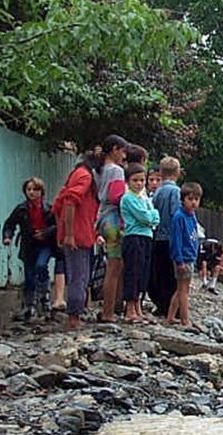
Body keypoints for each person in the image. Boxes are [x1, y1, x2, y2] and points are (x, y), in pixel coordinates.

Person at [52, 153, 100, 330]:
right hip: (79, 235)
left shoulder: (77, 174)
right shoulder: (85, 176)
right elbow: (69, 202)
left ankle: (77, 313)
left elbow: (59, 204)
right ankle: (74, 317)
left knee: (80, 276)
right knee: (79, 277)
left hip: (82, 233)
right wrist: (69, 234)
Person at [2, 177, 57, 319]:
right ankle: (29, 305)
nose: (31, 192)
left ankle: (45, 296)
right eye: (29, 189)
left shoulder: (48, 209)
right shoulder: (21, 209)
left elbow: (57, 225)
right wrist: (8, 236)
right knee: (29, 275)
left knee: (41, 265)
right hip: (29, 244)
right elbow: (10, 223)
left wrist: (45, 233)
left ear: (41, 191)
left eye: (35, 189)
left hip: (44, 244)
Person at [94, 134, 129, 323]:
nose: (123, 156)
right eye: (122, 151)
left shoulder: (97, 170)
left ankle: (110, 308)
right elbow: (117, 196)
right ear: (115, 149)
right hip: (113, 219)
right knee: (114, 266)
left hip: (101, 219)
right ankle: (108, 311)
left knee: (114, 265)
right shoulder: (116, 171)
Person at [120, 163, 160, 322]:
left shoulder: (144, 198)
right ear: (128, 181)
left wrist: (151, 217)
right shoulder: (128, 198)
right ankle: (129, 308)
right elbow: (145, 217)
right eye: (135, 180)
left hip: (147, 236)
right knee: (133, 271)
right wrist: (151, 217)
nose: (139, 183)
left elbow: (155, 216)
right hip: (134, 236)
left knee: (143, 273)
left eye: (142, 180)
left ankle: (138, 306)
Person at [149, 156, 182, 316]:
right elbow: (176, 215)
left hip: (157, 237)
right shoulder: (175, 192)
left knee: (160, 273)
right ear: (178, 172)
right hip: (171, 238)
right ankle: (172, 308)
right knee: (172, 275)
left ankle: (161, 304)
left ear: (161, 172)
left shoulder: (157, 192)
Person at [167, 182, 202, 326]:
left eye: (196, 199)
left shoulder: (192, 216)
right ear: (183, 199)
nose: (193, 202)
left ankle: (170, 317)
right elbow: (175, 240)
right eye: (190, 199)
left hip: (190, 257)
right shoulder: (179, 217)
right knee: (183, 290)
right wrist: (179, 260)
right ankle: (184, 319)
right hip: (183, 258)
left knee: (181, 288)